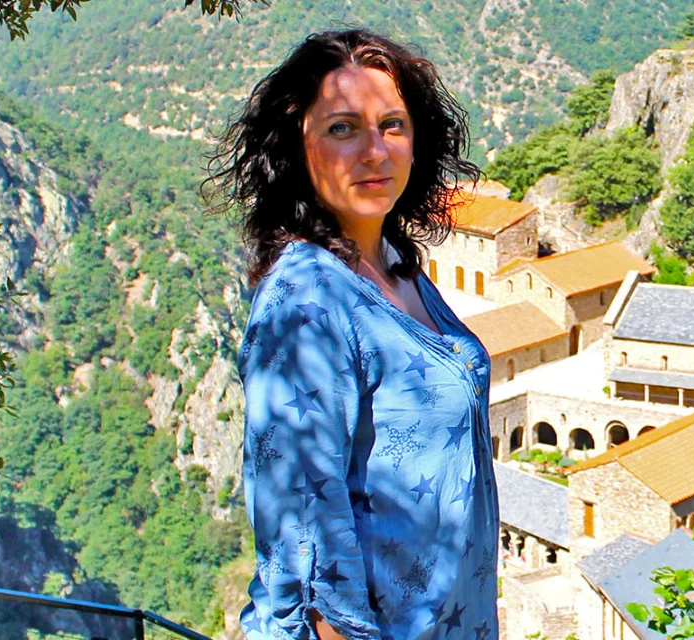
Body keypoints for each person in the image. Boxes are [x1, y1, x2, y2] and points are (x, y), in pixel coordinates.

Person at [211, 28, 497, 640]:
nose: (375, 151)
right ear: (297, 148)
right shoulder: (306, 300)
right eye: (343, 128)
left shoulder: (392, 259)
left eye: (392, 125)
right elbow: (307, 546)